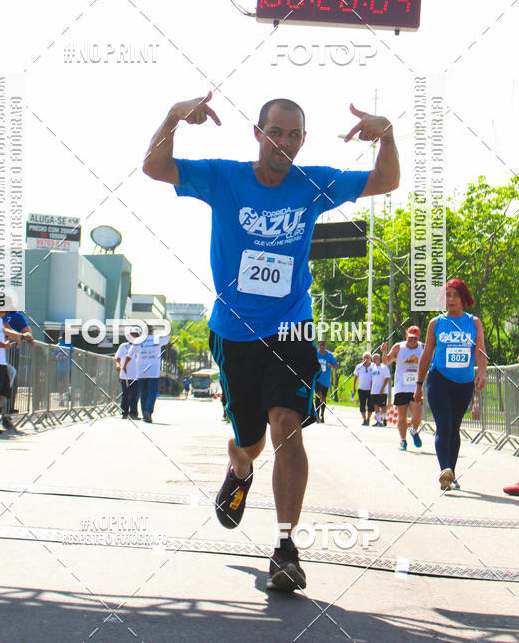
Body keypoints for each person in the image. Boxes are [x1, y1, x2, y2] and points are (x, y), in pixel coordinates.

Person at [144, 92, 399, 592]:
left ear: (303, 140)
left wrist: (387, 135)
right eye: (276, 132)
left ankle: (285, 549)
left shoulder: (314, 182)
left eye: (294, 134)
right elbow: (155, 167)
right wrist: (173, 116)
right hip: (234, 331)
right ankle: (239, 469)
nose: (284, 142)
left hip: (292, 326)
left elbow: (385, 180)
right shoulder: (224, 177)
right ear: (258, 134)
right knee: (251, 443)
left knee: (287, 427)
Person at [414, 279, 486, 491]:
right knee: (444, 425)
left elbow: (480, 350)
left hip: (464, 383)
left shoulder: (474, 322)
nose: (451, 299)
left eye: (455, 295)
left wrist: (482, 372)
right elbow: (426, 355)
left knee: (454, 428)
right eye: (447, 295)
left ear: (463, 298)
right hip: (439, 380)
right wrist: (419, 385)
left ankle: (450, 475)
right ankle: (444, 469)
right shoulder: (436, 323)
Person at [382, 326, 424, 450]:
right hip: (401, 387)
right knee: (402, 417)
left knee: (418, 416)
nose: (412, 340)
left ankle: (414, 431)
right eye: (410, 338)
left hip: (416, 387)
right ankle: (403, 440)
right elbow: (386, 362)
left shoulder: (423, 347)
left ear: (419, 338)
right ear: (406, 335)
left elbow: (431, 361)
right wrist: (384, 352)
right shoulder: (399, 347)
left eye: (415, 338)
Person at [137, 326, 164, 423]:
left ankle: (145, 413)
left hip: (141, 371)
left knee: (143, 393)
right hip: (153, 371)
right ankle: (148, 411)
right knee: (152, 392)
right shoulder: (157, 338)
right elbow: (167, 338)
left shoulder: (139, 340)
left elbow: (130, 353)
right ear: (152, 331)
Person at [115, 338, 140, 419]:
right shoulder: (123, 346)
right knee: (125, 394)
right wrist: (117, 365)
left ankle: (133, 413)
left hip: (136, 375)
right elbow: (118, 358)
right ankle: (124, 412)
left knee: (134, 395)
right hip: (124, 375)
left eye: (135, 335)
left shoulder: (139, 345)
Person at [314, 340, 338, 423]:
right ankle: (317, 415)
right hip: (317, 379)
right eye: (320, 345)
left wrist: (331, 365)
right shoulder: (316, 354)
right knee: (318, 396)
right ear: (318, 346)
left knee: (323, 398)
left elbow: (336, 365)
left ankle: (322, 415)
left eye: (323, 345)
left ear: (325, 346)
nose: (322, 347)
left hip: (326, 379)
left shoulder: (329, 355)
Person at [352, 352, 373, 425]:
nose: (366, 359)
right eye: (364, 357)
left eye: (367, 357)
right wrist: (354, 387)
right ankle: (364, 420)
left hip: (371, 389)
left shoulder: (373, 366)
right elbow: (355, 377)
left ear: (370, 358)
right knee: (362, 405)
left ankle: (368, 419)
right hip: (361, 389)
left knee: (370, 405)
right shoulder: (359, 366)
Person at [369, 353, 390, 426]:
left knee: (383, 406)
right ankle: (379, 421)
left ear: (379, 358)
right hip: (374, 390)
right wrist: (371, 388)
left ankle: (385, 419)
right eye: (373, 358)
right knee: (375, 405)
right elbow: (372, 379)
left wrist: (382, 388)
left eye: (376, 358)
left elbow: (387, 378)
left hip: (382, 391)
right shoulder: (373, 368)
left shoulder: (384, 367)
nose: (375, 360)